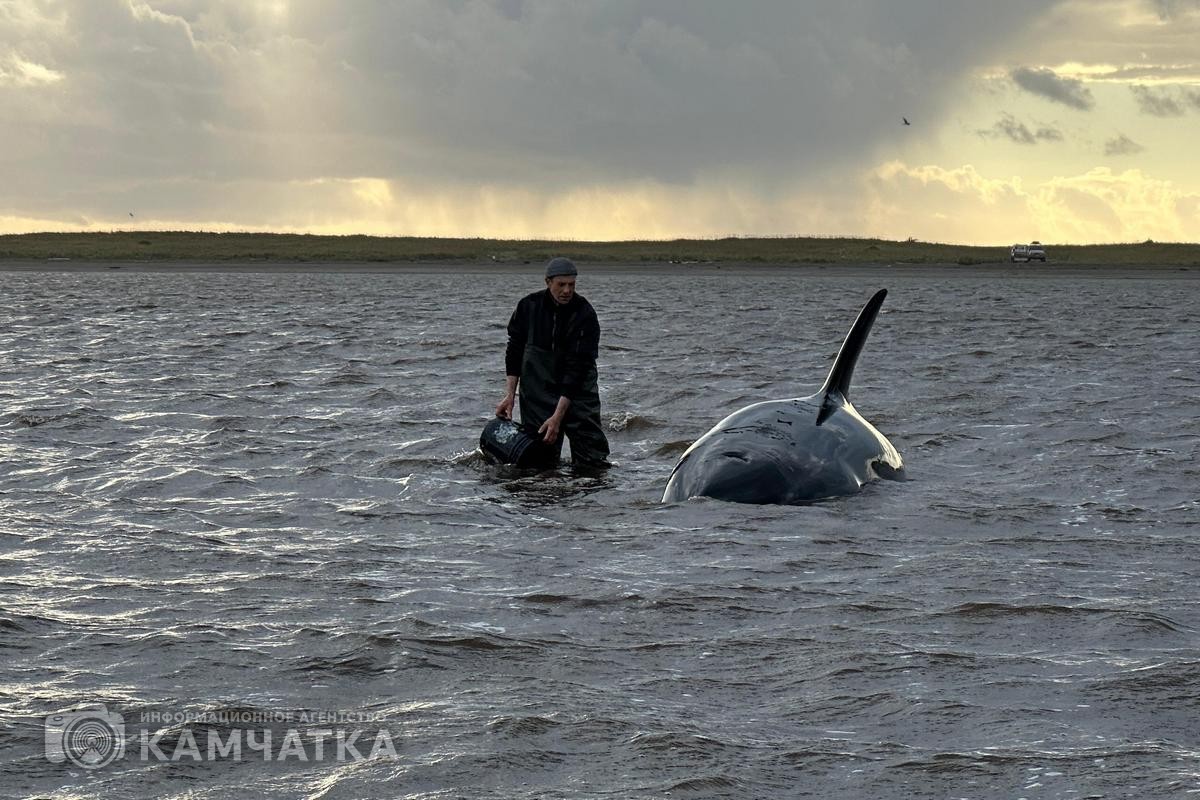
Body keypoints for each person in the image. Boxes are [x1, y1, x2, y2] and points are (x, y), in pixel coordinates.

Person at [495, 257, 611, 468]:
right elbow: (514, 351)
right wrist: (510, 395)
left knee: (592, 463)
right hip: (537, 393)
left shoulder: (585, 314)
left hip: (578, 394)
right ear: (548, 282)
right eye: (561, 284)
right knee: (538, 462)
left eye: (571, 285)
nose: (567, 290)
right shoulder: (528, 306)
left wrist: (558, 416)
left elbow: (578, 368)